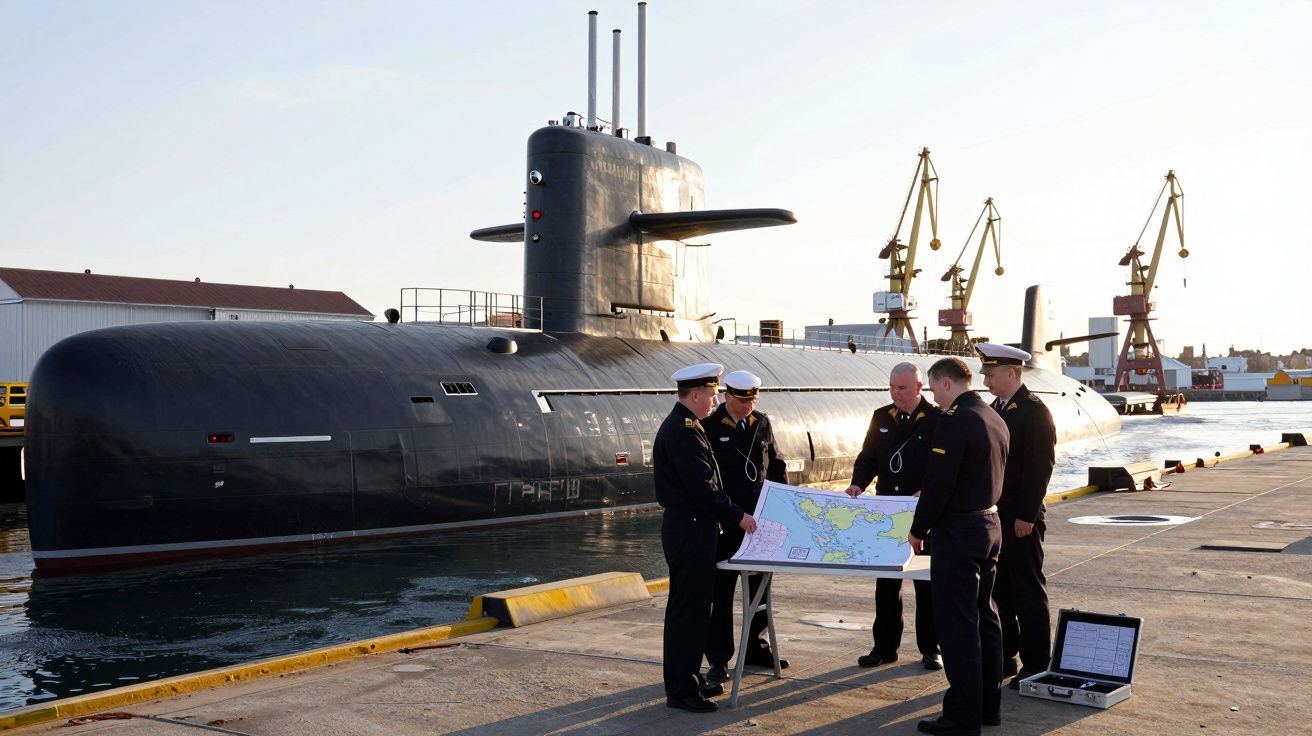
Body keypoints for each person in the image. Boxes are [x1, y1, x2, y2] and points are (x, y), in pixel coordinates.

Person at [909, 357, 1008, 736]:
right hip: (990, 524)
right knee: (986, 617)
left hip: (959, 533)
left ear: (946, 384)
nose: (934, 398)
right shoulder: (994, 417)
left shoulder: (954, 422)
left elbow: (939, 483)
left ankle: (962, 716)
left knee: (957, 624)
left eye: (934, 389)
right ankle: (988, 708)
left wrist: (919, 528)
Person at [654, 362, 757, 714]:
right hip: (691, 528)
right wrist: (740, 517)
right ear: (695, 394)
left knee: (695, 610)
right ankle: (681, 690)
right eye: (712, 396)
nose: (715, 402)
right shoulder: (683, 431)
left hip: (694, 527)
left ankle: (689, 680)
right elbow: (704, 490)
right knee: (688, 612)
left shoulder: (689, 426)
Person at [846, 362, 943, 670]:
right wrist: (857, 483)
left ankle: (931, 648)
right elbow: (868, 458)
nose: (896, 394)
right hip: (887, 515)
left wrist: (927, 491)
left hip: (921, 514)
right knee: (886, 585)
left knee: (926, 585)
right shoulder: (881, 417)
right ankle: (884, 647)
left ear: (918, 388)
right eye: (892, 388)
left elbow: (946, 468)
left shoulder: (937, 419)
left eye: (902, 388)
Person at [977, 342, 1056, 689]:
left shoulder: (1035, 411)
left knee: (1027, 590)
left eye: (991, 374)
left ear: (1011, 373)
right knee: (1001, 592)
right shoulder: (998, 407)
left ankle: (1037, 661)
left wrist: (1026, 515)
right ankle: (1006, 655)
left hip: (1021, 520)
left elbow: (1041, 468)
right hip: (998, 518)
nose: (987, 380)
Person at [703, 370, 790, 683]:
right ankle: (718, 659)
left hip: (761, 523)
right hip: (730, 524)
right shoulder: (711, 427)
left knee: (761, 591)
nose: (748, 406)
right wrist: (732, 515)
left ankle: (756, 647)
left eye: (753, 399)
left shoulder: (761, 423)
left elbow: (777, 466)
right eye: (742, 401)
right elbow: (709, 481)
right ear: (728, 396)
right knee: (721, 594)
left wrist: (783, 506)